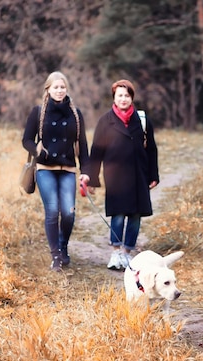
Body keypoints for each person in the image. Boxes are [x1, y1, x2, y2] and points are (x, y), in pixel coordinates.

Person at [83, 79, 159, 270]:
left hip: (138, 175)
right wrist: (91, 178)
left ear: (131, 98)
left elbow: (151, 150)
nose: (123, 99)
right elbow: (96, 151)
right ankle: (116, 253)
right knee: (118, 215)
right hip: (115, 176)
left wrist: (153, 175)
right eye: (120, 96)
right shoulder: (105, 121)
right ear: (114, 98)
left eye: (127, 95)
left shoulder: (142, 120)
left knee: (135, 215)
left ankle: (127, 253)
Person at [22, 71, 89, 272]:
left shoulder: (76, 114)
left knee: (68, 213)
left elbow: (83, 145)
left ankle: (63, 245)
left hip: (68, 169)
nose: (59, 91)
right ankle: (56, 256)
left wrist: (86, 171)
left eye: (62, 87)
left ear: (66, 89)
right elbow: (26, 140)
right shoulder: (38, 112)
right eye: (55, 87)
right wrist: (37, 151)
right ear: (48, 89)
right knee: (52, 210)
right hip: (45, 169)